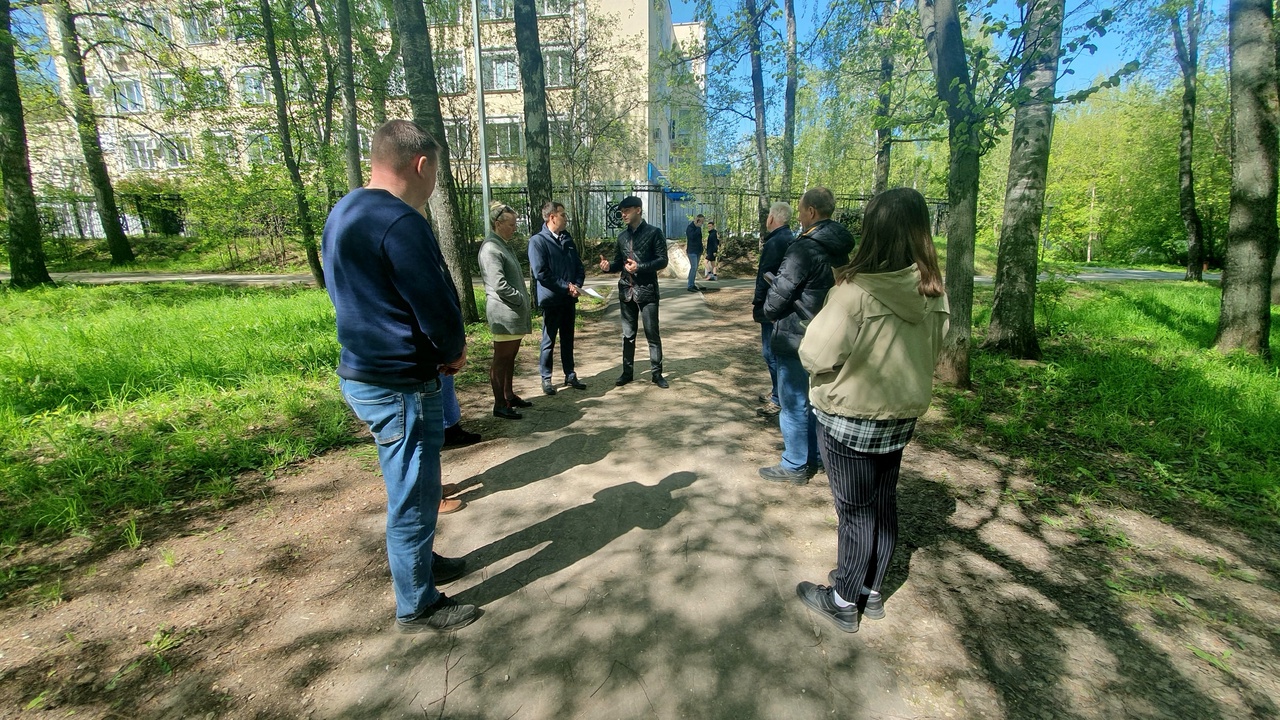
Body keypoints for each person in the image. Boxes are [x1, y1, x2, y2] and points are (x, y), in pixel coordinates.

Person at [321, 119, 478, 633]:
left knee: (416, 481)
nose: (435, 183)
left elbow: (347, 292)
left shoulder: (345, 211)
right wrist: (452, 349)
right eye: (436, 171)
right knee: (412, 490)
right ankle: (417, 604)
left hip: (368, 372)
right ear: (421, 164)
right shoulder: (400, 220)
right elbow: (433, 301)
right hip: (399, 383)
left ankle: (422, 564)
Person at [794, 187, 949, 633]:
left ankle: (843, 599)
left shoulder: (856, 292)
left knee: (855, 511)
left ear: (873, 230)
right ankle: (872, 590)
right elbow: (934, 351)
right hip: (901, 417)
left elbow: (816, 354)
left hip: (849, 418)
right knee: (883, 503)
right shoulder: (934, 292)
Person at [759, 187, 855, 484]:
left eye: (801, 211)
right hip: (830, 332)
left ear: (811, 212)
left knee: (793, 400)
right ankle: (816, 456)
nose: (798, 217)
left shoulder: (803, 247)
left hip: (796, 333)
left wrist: (771, 296)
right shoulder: (840, 247)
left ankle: (794, 463)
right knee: (816, 400)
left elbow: (778, 298)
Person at [599, 195, 669, 388]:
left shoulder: (654, 233)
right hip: (626, 291)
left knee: (652, 334)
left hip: (647, 291)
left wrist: (640, 266)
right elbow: (618, 263)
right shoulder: (622, 237)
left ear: (638, 210)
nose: (623, 214)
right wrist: (608, 267)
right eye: (621, 212)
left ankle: (657, 374)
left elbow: (663, 260)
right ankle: (627, 373)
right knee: (627, 336)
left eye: (627, 210)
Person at [479, 202, 533, 419]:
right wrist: (520, 298)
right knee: (501, 358)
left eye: (514, 224)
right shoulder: (491, 248)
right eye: (510, 224)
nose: (514, 228)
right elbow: (499, 284)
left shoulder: (503, 244)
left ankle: (509, 395)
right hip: (503, 313)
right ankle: (499, 404)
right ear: (497, 223)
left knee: (510, 357)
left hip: (513, 312)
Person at [528, 200, 587, 396]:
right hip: (552, 299)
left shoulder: (567, 239)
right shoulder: (538, 241)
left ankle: (570, 374)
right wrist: (565, 286)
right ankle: (546, 378)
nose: (566, 218)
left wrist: (577, 284)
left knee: (568, 338)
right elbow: (541, 273)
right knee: (549, 340)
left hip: (569, 299)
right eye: (563, 214)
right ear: (552, 217)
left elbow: (578, 266)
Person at [752, 202, 795, 419]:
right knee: (773, 353)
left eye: (769, 215)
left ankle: (779, 399)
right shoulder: (789, 238)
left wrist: (758, 302)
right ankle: (777, 394)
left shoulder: (776, 241)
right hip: (780, 304)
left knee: (770, 353)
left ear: (773, 218)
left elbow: (764, 275)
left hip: (771, 305)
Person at [685, 213, 705, 292]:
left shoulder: (698, 228)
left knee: (695, 268)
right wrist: (697, 228)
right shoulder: (690, 228)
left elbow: (699, 239)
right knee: (693, 267)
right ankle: (690, 285)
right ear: (698, 220)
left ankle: (692, 284)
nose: (702, 223)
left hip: (698, 251)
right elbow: (692, 237)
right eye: (701, 221)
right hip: (692, 251)